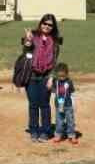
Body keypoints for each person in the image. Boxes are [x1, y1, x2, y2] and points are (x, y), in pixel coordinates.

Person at [21, 13, 61, 142]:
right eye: (45, 23)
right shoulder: (33, 36)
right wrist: (28, 41)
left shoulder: (55, 42)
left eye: (50, 25)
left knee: (44, 104)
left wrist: (51, 77)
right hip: (31, 76)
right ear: (41, 23)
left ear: (53, 27)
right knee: (33, 104)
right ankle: (33, 130)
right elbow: (26, 53)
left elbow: (54, 62)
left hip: (46, 76)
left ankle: (45, 131)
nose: (47, 26)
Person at [47, 63, 77, 144]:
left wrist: (73, 104)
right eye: (60, 76)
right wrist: (50, 80)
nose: (62, 78)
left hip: (68, 105)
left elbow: (72, 93)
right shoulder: (56, 82)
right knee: (59, 120)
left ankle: (71, 135)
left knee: (70, 120)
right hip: (58, 105)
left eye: (63, 76)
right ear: (57, 75)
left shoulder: (69, 82)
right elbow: (49, 88)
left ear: (67, 74)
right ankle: (58, 134)